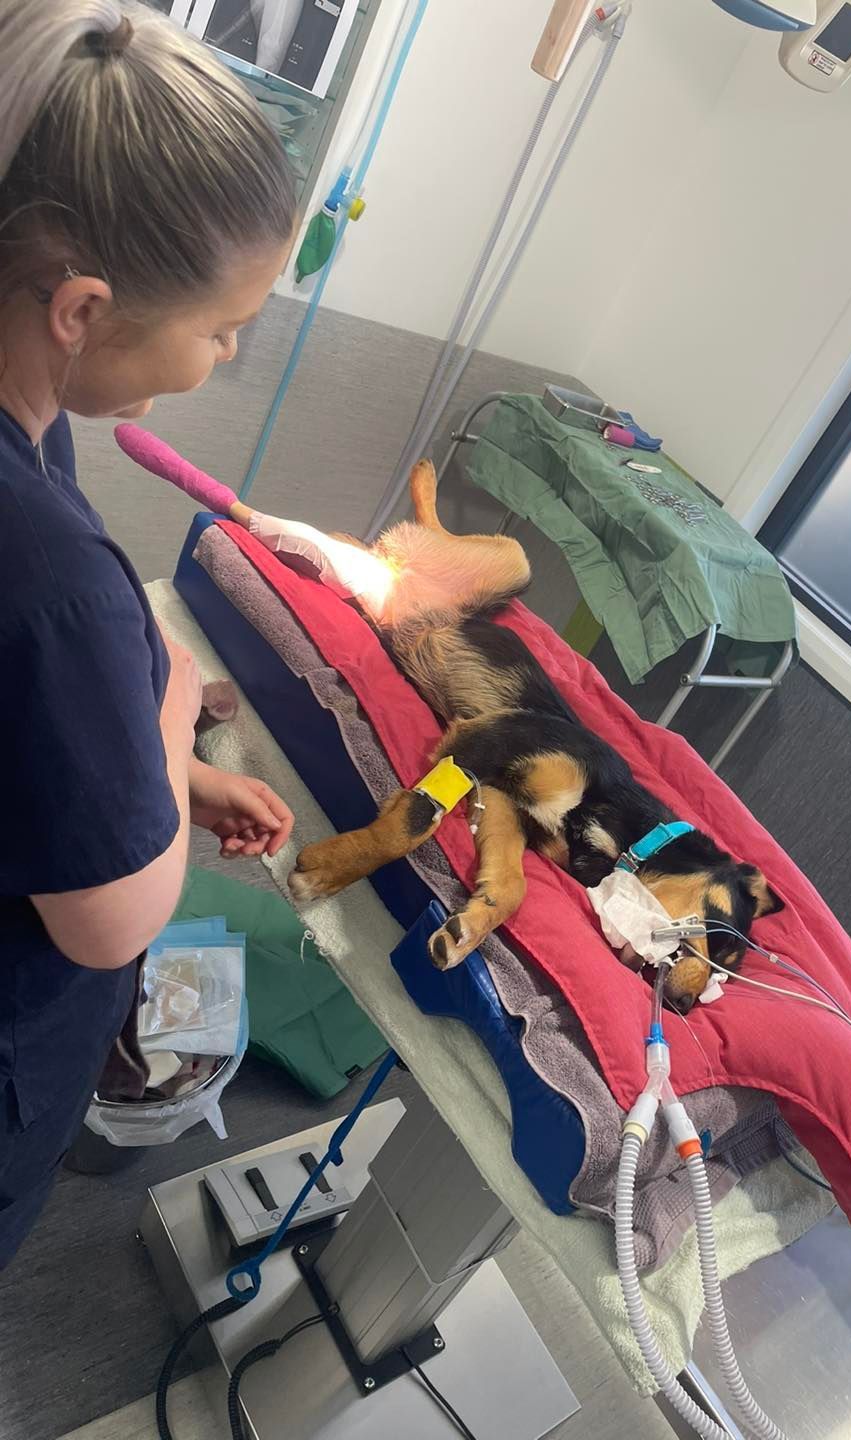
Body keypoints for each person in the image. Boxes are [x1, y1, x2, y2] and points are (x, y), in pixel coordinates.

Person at [0, 0, 300, 1268]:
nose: (227, 355)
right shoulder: (50, 567)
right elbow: (113, 927)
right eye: (222, 327)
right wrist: (166, 708)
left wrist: (156, 774)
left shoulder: (32, 426)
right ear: (82, 307)